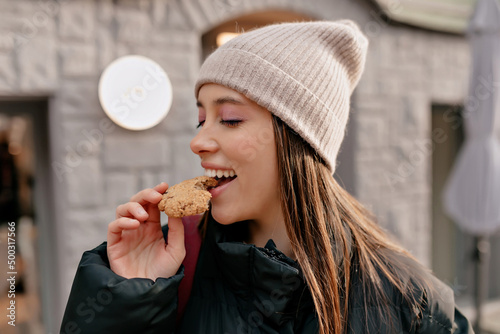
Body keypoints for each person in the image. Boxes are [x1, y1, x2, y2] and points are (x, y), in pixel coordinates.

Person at [60, 20, 474, 334]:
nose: (198, 141)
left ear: (298, 141)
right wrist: (132, 297)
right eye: (201, 119)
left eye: (230, 118)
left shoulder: (409, 301)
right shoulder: (177, 263)